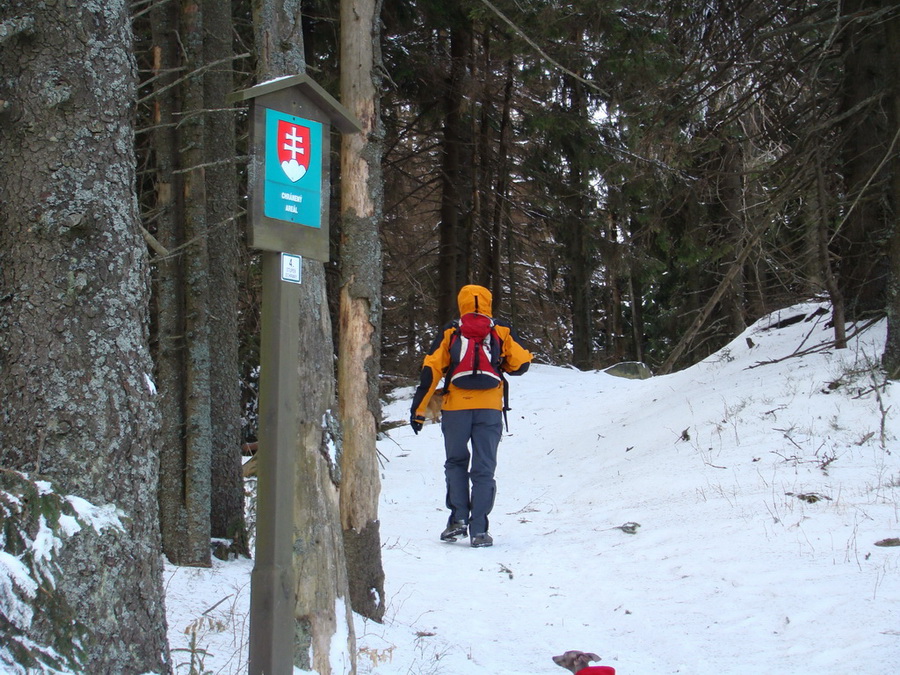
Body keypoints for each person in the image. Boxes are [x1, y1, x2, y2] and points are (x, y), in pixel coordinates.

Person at [410, 285, 532, 547]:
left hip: (456, 409)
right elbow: (521, 364)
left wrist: (418, 410)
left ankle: (458, 521)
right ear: (488, 302)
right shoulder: (500, 329)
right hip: (489, 409)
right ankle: (479, 531)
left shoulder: (451, 330)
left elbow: (431, 370)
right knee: (484, 468)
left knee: (455, 462)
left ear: (461, 302)